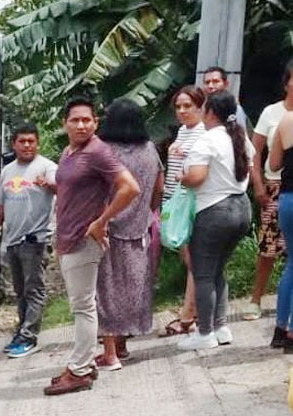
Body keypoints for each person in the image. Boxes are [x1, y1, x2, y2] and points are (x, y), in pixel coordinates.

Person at [44, 98, 140, 396]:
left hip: (84, 240)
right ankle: (83, 363)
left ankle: (80, 370)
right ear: (65, 123)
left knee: (83, 307)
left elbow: (130, 187)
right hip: (67, 237)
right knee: (83, 304)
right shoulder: (70, 152)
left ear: (96, 123)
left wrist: (102, 221)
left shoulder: (98, 151)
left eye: (87, 120)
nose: (81, 125)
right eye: (75, 120)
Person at [177, 90, 254, 351]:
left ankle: (205, 333)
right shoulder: (240, 137)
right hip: (242, 207)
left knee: (203, 273)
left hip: (214, 211)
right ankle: (221, 327)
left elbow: (197, 177)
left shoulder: (207, 140)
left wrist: (181, 178)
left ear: (209, 112)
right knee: (218, 269)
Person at [93, 99, 164, 371]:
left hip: (107, 228)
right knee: (134, 287)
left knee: (106, 289)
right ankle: (122, 345)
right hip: (139, 228)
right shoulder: (150, 150)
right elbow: (159, 187)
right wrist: (148, 211)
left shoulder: (104, 151)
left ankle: (110, 350)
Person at [0, 123, 57, 359]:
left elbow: (63, 187)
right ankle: (21, 330)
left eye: (31, 141)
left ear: (37, 143)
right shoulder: (8, 171)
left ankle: (28, 336)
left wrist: (50, 185)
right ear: (13, 144)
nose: (27, 145)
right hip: (12, 239)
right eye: (22, 141)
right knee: (20, 290)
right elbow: (0, 204)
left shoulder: (47, 167)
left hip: (36, 239)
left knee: (34, 289)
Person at [245, 60, 293, 322]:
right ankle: (255, 299)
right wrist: (258, 183)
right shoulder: (271, 113)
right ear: (286, 83)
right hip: (275, 185)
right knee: (268, 247)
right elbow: (255, 151)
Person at [161, 86, 207, 337]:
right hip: (174, 200)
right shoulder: (182, 131)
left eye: (187, 106)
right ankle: (194, 310)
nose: (182, 111)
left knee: (194, 259)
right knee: (187, 257)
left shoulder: (204, 133)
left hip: (191, 201)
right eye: (178, 107)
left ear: (200, 107)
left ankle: (188, 314)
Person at [268, 108, 293, 352]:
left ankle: (280, 329)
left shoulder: (286, 119)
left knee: (291, 264)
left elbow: (274, 164)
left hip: (287, 199)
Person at [202, 66, 250, 132]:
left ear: (226, 84)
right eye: (207, 82)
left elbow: (241, 134)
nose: (210, 86)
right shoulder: (201, 108)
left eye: (216, 81)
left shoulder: (235, 109)